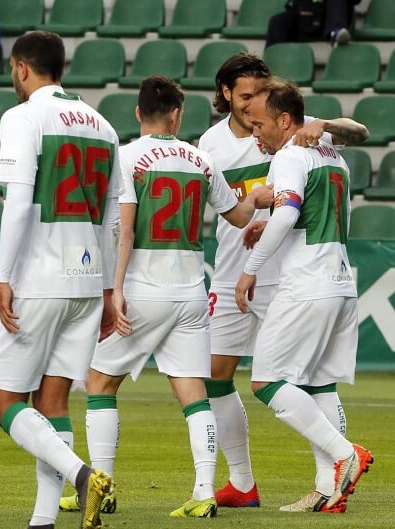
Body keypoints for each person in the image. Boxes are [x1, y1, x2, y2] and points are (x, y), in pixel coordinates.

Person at [71, 75, 274, 519]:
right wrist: (258, 197)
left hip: (144, 288)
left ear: (139, 112)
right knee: (193, 393)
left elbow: (125, 228)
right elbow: (239, 216)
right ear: (178, 115)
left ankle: (100, 486)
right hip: (190, 292)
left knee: (100, 383)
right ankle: (203, 491)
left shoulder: (126, 157)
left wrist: (116, 290)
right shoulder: (200, 159)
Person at [198, 53, 369, 511]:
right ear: (227, 94)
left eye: (260, 96)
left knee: (292, 380)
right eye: (246, 96)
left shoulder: (298, 136)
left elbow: (359, 134)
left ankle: (338, 463)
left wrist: (323, 122)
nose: (254, 110)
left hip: (289, 276)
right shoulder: (211, 143)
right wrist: (260, 219)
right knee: (221, 375)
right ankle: (252, 483)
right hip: (255, 271)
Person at [0, 31, 120, 529]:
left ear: (22, 68)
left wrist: (4, 275)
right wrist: (107, 290)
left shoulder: (22, 116)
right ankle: (44, 519)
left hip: (38, 277)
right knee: (54, 402)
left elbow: (19, 200)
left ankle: (83, 476)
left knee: (1, 403)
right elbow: (111, 217)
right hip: (86, 281)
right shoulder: (103, 126)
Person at [266, 0, 362, 48]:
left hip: (331, 16)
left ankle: (336, 32)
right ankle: (267, 72)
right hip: (305, 14)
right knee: (277, 22)